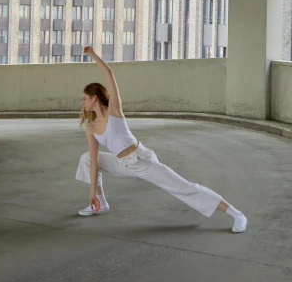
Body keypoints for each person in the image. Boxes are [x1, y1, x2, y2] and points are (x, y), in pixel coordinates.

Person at [75, 46, 247, 233]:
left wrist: (93, 55)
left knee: (184, 188)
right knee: (87, 158)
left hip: (141, 160)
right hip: (121, 163)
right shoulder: (91, 128)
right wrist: (92, 195)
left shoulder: (114, 111)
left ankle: (237, 214)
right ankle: (100, 203)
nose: (82, 102)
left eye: (85, 98)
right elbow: (94, 163)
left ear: (94, 98)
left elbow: (109, 73)